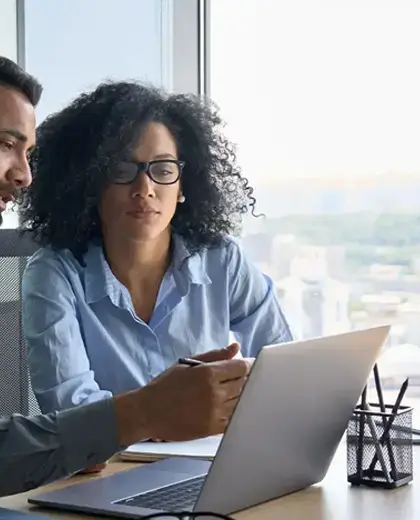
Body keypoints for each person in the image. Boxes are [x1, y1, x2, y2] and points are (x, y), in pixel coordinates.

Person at [0, 49, 251, 508]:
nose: (25, 175)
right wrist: (141, 413)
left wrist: (70, 445)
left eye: (28, 153)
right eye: (6, 145)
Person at [17, 82, 293, 431]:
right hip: (108, 474)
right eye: (121, 170)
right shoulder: (53, 274)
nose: (145, 189)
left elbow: (284, 369)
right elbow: (72, 415)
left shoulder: (222, 260)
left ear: (182, 188)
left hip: (211, 460)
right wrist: (170, 415)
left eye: (163, 170)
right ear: (88, 183)